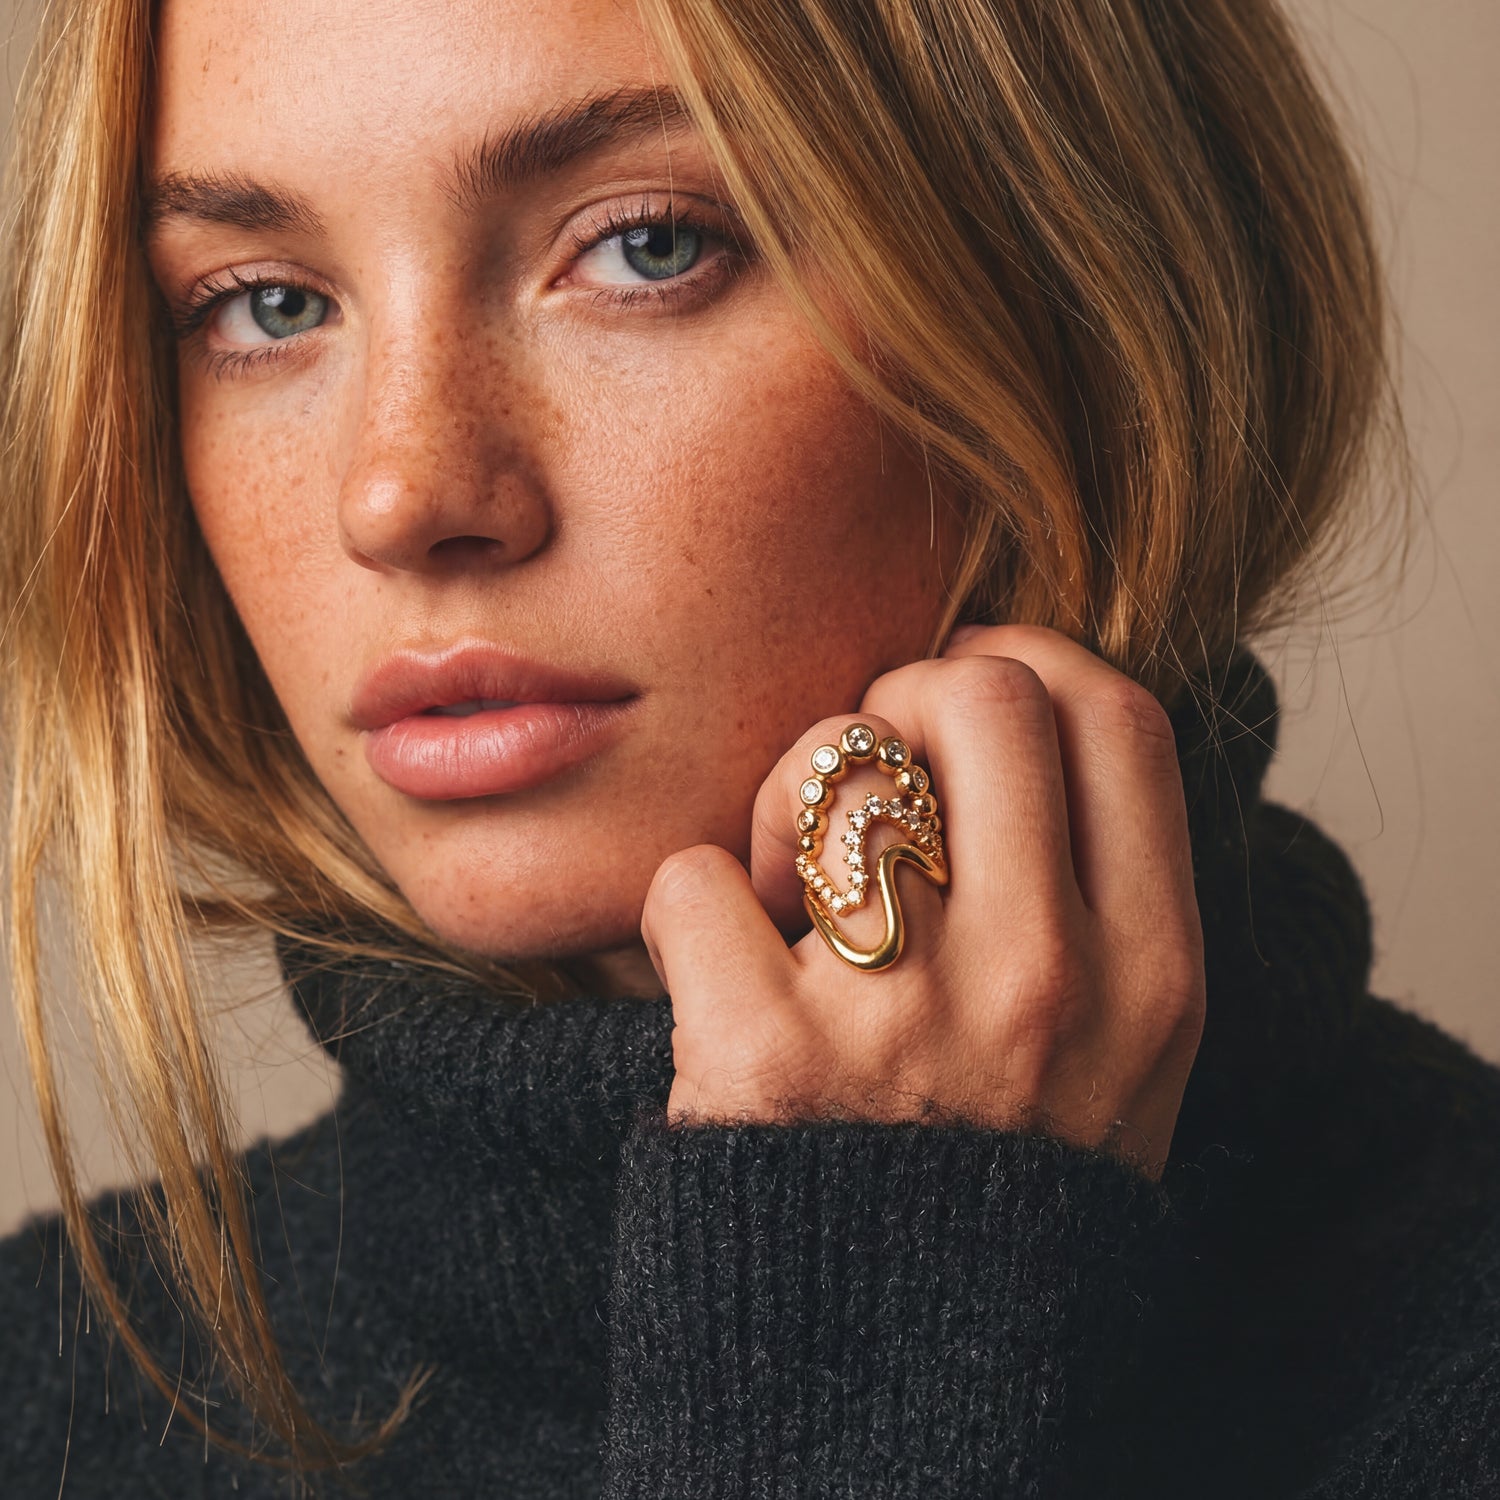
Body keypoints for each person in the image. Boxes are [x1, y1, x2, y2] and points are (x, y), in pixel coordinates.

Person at [1, 0, 1495, 1494]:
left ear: (1091, 300)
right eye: (264, 304)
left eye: (647, 244)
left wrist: (865, 1282)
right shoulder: (45, 1386)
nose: (398, 494)